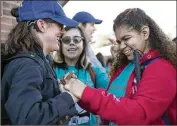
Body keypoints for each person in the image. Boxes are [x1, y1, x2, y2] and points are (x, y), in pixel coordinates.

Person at [62, 8, 176, 125]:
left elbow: (139, 114)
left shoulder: (162, 68)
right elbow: (110, 105)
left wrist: (84, 91)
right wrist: (80, 96)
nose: (121, 46)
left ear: (145, 32)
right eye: (119, 41)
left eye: (126, 39)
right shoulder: (125, 66)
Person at [1, 0, 80, 125]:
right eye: (60, 24)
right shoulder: (28, 65)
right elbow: (28, 119)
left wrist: (59, 88)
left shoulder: (37, 60)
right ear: (41, 25)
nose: (63, 31)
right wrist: (69, 97)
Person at [53, 26, 109, 125]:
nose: (72, 43)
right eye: (66, 40)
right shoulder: (50, 70)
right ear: (60, 44)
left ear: (83, 43)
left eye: (77, 39)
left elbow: (109, 102)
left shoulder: (95, 72)